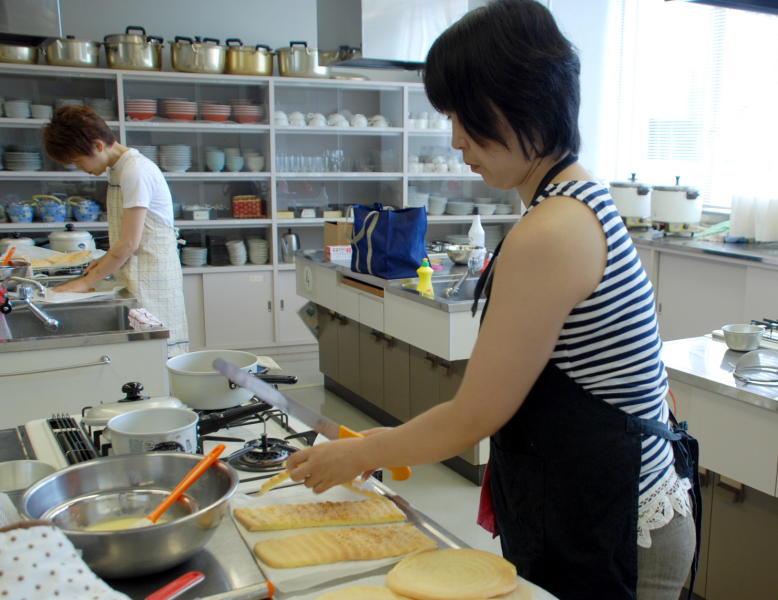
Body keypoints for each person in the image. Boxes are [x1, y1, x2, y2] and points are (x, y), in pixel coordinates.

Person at [286, 1, 697, 599]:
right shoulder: (574, 201)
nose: (456, 140)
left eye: (466, 116)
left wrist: (358, 454)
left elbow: (474, 416)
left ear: (525, 101)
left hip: (618, 525)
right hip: (594, 502)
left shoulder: (554, 229)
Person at [43, 106, 189, 357]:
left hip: (153, 279)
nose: (81, 168)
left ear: (98, 146)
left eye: (78, 161)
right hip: (137, 274)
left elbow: (130, 243)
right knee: (144, 354)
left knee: (159, 354)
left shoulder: (135, 171)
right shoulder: (118, 169)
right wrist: (103, 262)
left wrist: (86, 282)